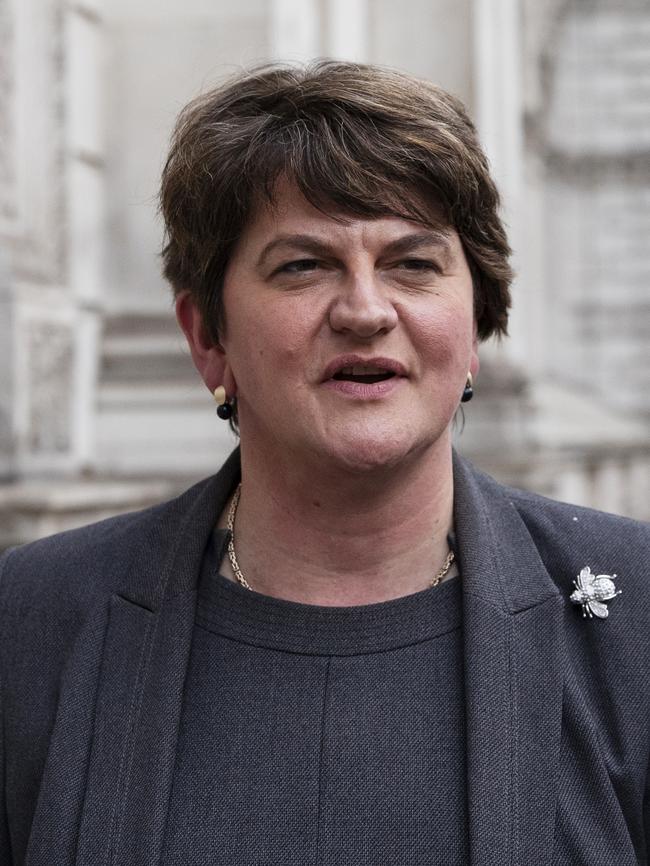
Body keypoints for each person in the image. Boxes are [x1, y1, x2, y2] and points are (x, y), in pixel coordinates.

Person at [1, 61, 649, 866]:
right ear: (209, 338)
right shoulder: (29, 621)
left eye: (414, 262)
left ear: (476, 323)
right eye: (302, 265)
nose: (366, 311)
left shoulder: (638, 616)